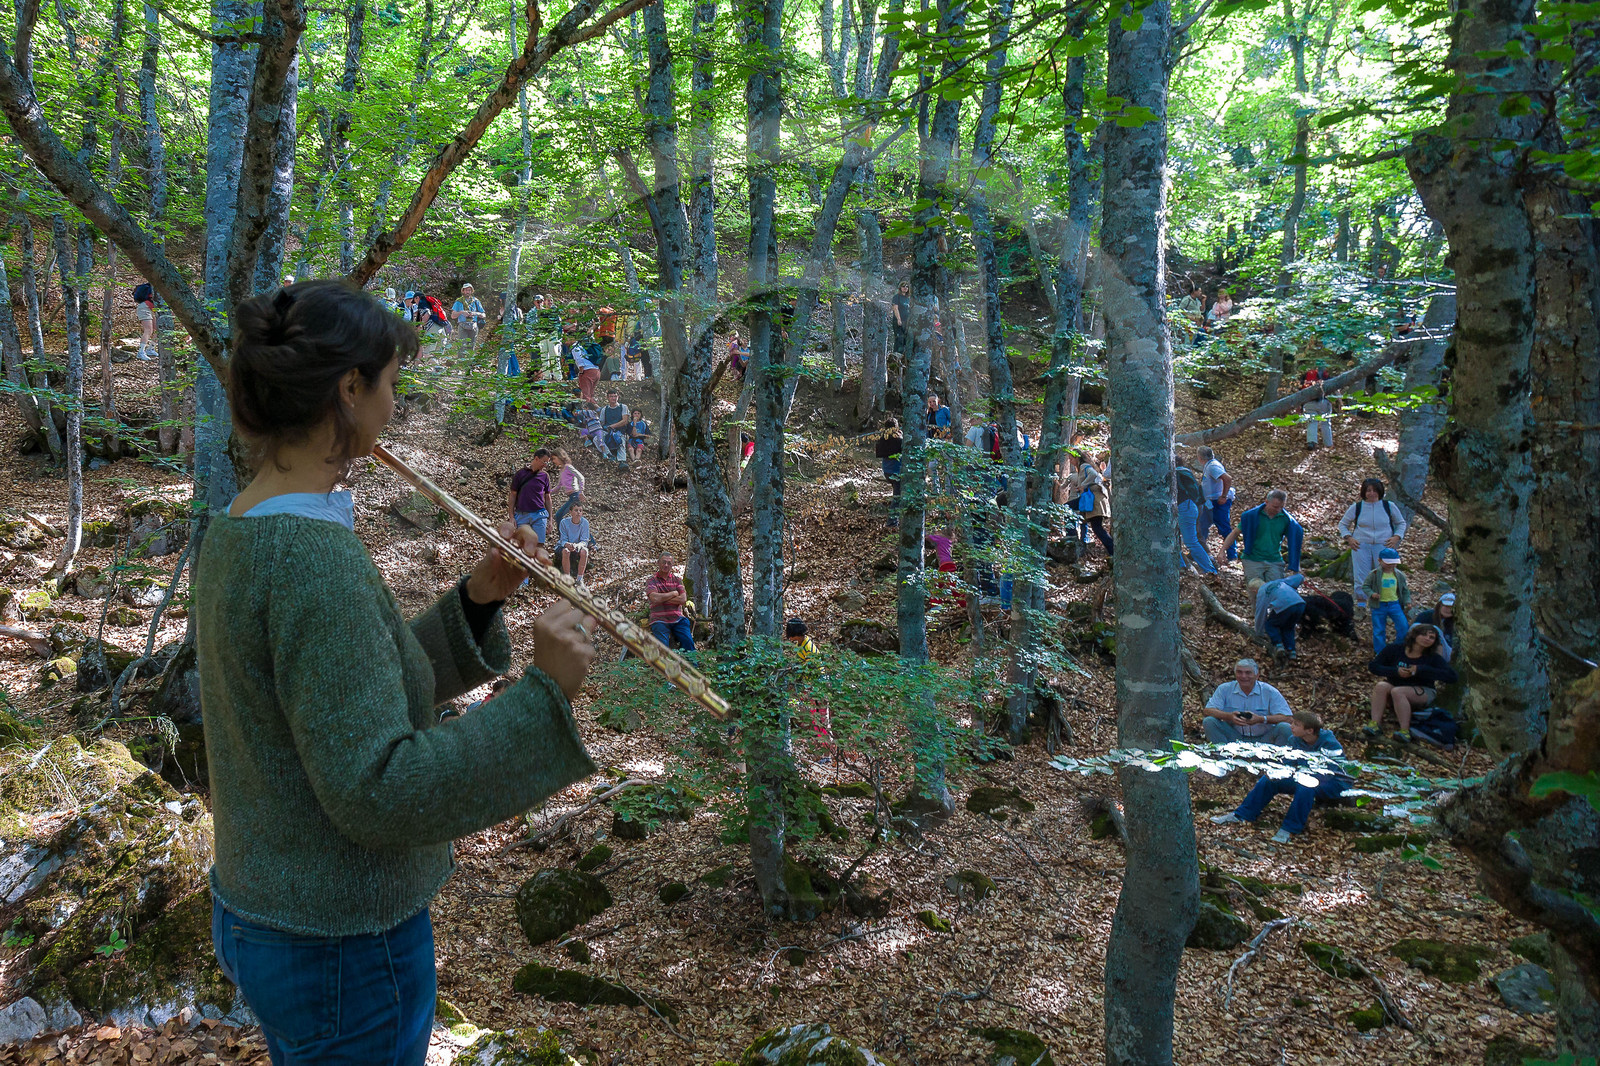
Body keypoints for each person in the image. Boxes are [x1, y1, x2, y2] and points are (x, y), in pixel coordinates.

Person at [197, 279, 597, 1065]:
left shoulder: (245, 525)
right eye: (390, 382)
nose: (395, 402)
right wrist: (544, 696)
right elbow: (380, 788)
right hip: (342, 948)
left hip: (276, 915)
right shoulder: (309, 557)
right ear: (349, 387)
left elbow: (340, 695)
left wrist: (477, 602)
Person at [1210, 711, 1349, 843]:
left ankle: (1289, 828)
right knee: (1270, 779)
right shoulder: (1294, 740)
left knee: (1307, 785)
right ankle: (1242, 814)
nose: (1291, 727)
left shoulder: (1330, 744)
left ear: (1309, 730)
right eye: (1293, 723)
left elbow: (1327, 773)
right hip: (1303, 776)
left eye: (1296, 725)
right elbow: (1287, 763)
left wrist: (1300, 774)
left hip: (1333, 783)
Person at [1365, 623, 1457, 743]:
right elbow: (1373, 666)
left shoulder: (1433, 658)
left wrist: (1420, 670)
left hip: (1423, 690)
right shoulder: (1394, 649)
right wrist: (1396, 671)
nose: (1427, 639)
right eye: (1423, 635)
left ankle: (1405, 731)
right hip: (1396, 684)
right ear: (1414, 635)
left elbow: (1452, 676)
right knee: (1381, 686)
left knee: (1398, 692)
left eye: (1431, 637)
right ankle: (1375, 724)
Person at [1338, 478, 1408, 613]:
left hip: (1384, 546)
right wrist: (1349, 538)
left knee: (1385, 575)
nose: (1372, 493)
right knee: (1361, 576)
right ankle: (1361, 605)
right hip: (1361, 546)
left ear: (1380, 491)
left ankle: (1386, 604)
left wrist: (1396, 537)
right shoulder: (1357, 507)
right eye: (1368, 490)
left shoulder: (1389, 506)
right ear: (1364, 492)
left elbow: (1401, 523)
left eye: (1375, 490)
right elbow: (1343, 524)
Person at [1201, 659, 1293, 746]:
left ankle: (1275, 759)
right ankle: (1223, 755)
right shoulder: (1224, 689)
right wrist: (1229, 716)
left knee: (1284, 727)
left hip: (1265, 739)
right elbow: (1208, 711)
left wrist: (1261, 719)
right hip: (1235, 737)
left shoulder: (1269, 691)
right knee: (1209, 721)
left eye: (1248, 673)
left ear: (1257, 675)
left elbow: (1288, 718)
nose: (1243, 676)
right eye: (1239, 672)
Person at [1226, 489, 1303, 583]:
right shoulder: (1252, 517)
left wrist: (1295, 565)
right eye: (1275, 507)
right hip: (1252, 559)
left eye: (1281, 507)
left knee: (1275, 592)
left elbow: (1295, 541)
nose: (1278, 510)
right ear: (1266, 502)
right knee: (1255, 590)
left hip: (1274, 561)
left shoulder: (1286, 520)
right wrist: (1222, 550)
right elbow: (1235, 533)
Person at [1362, 546, 1410, 653]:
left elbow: (1404, 589)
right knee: (1379, 629)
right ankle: (1380, 652)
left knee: (1403, 626)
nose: (1391, 565)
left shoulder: (1399, 575)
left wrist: (1407, 601)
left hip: (1394, 604)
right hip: (1379, 605)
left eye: (1393, 563)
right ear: (1380, 561)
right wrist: (1372, 594)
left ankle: (1398, 648)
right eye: (1388, 563)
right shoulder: (1374, 574)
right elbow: (1365, 586)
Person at [1175, 461, 1217, 574]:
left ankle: (1210, 571)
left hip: (1184, 508)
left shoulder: (1176, 473)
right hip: (1192, 506)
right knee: (1174, 539)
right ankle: (1182, 567)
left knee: (1191, 542)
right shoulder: (1185, 471)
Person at [646, 554, 695, 651]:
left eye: (669, 563)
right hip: (659, 619)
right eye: (664, 562)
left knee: (688, 642)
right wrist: (673, 593)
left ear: (672, 565)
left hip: (677, 618)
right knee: (663, 648)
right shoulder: (651, 581)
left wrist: (662, 597)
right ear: (658, 563)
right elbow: (654, 599)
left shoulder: (677, 580)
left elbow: (683, 599)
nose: (666, 565)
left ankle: (693, 665)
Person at [1196, 446, 1236, 560]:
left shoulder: (1213, 466)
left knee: (1224, 528)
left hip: (1218, 503)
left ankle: (1232, 555)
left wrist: (1223, 496)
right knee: (1202, 526)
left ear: (1200, 457)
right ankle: (1200, 553)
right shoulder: (1210, 465)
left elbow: (1227, 479)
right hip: (1210, 503)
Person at [1252, 573, 1306, 658]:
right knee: (1288, 627)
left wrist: (1258, 632)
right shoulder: (1279, 582)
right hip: (1300, 604)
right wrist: (1301, 581)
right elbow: (1299, 577)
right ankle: (1291, 651)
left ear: (1255, 591)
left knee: (1270, 624)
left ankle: (1278, 645)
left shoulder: (1262, 592)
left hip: (1285, 606)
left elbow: (1261, 613)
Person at [508, 449, 553, 545]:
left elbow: (547, 497)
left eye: (547, 463)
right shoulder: (520, 474)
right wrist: (511, 517)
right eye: (544, 462)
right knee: (522, 546)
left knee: (539, 545)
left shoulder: (545, 476)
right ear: (536, 458)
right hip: (522, 515)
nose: (545, 465)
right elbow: (512, 495)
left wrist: (550, 520)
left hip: (539, 514)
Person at [1076, 453, 1113, 556]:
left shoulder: (1083, 466)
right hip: (1096, 500)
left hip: (1094, 501)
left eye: (1071, 458)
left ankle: (1112, 550)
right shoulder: (1084, 466)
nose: (1070, 460)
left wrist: (1083, 485)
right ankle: (1111, 550)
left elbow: (1093, 475)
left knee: (1097, 527)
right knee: (1096, 527)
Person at [1413, 592, 1456, 661]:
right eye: (1446, 606)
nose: (1449, 610)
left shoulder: (1457, 621)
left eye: (1451, 607)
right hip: (1424, 646)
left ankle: (1438, 664)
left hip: (1447, 652)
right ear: (1439, 606)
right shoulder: (1425, 616)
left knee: (1436, 631)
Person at [557, 504, 592, 587]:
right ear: (570, 512)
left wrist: (577, 546)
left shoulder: (585, 523)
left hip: (578, 546)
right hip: (565, 545)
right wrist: (567, 544)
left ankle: (579, 579)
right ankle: (567, 578)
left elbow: (584, 540)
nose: (578, 513)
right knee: (566, 551)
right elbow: (563, 538)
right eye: (576, 510)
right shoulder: (564, 522)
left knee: (585, 551)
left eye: (580, 510)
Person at [877, 418, 903, 529]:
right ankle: (891, 522)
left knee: (898, 495)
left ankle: (896, 519)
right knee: (897, 498)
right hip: (895, 472)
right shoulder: (897, 440)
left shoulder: (883, 439)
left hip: (887, 471)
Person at [550, 448, 585, 526]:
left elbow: (581, 477)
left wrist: (581, 491)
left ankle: (563, 537)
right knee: (577, 520)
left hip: (575, 497)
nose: (553, 461)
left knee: (558, 516)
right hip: (571, 497)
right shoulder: (562, 470)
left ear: (560, 456)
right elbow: (558, 487)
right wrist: (547, 493)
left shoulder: (568, 467)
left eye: (554, 458)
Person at [1301, 370, 1333, 449]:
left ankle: (1311, 443)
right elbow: (1334, 389)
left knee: (1312, 422)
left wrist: (1299, 405)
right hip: (1324, 402)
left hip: (1308, 402)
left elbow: (1301, 391)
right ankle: (1328, 444)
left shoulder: (1305, 376)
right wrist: (1340, 402)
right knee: (1325, 423)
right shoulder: (1326, 376)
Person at [599, 390, 630, 464]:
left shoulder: (623, 407)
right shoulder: (604, 409)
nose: (613, 398)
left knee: (620, 441)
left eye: (615, 396)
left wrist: (612, 426)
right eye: (611, 396)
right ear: (607, 398)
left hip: (620, 431)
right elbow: (601, 422)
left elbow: (625, 421)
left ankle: (622, 461)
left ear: (618, 397)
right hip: (607, 431)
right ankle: (609, 454)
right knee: (597, 439)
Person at [451, 283, 486, 350]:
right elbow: (453, 316)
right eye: (466, 290)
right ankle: (461, 360)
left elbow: (484, 314)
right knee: (462, 347)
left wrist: (475, 313)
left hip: (474, 326)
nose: (467, 292)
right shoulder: (458, 302)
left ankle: (469, 360)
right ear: (463, 291)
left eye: (469, 290)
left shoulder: (476, 301)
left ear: (471, 291)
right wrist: (461, 312)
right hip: (462, 325)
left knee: (471, 347)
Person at [132, 280, 157, 360]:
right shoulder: (156, 290)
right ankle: (141, 352)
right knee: (148, 330)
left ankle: (150, 349)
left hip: (151, 309)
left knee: (158, 329)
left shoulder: (157, 289)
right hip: (145, 308)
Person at [891, 281, 912, 361]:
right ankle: (896, 357)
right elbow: (895, 308)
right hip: (899, 321)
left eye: (907, 286)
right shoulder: (897, 297)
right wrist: (899, 319)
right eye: (903, 286)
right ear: (900, 287)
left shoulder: (908, 298)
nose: (905, 288)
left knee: (905, 340)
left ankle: (903, 358)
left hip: (907, 322)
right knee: (899, 339)